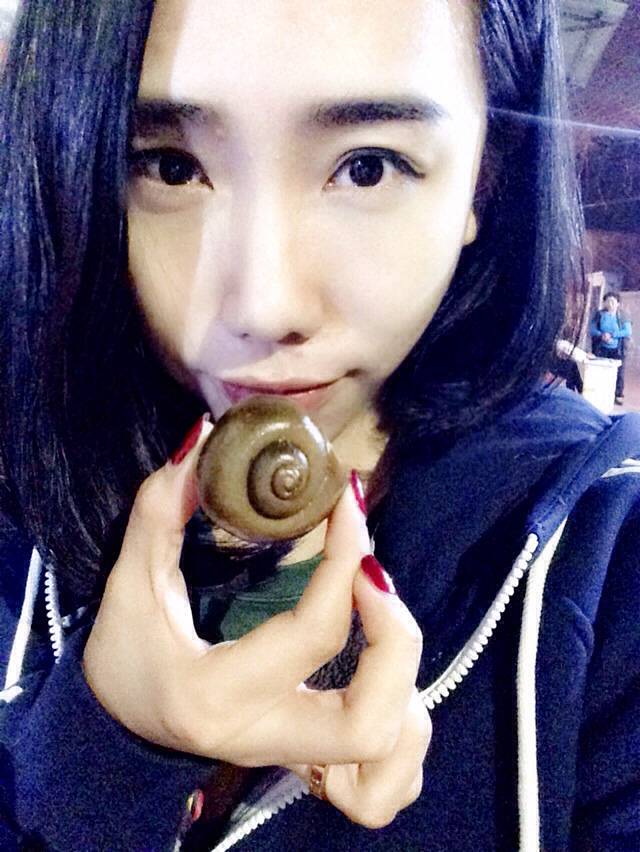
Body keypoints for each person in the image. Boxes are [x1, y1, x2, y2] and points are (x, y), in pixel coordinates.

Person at [1, 1, 639, 851]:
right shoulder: (18, 521)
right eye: (170, 166)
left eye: (368, 167)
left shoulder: (610, 562)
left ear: (484, 180)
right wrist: (106, 742)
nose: (264, 307)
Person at [590, 290, 633, 404]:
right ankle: (600, 392)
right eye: (608, 301)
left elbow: (627, 331)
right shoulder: (599, 315)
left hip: (618, 349)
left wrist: (612, 335)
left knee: (618, 372)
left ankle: (618, 394)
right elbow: (592, 329)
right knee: (601, 370)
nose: (610, 304)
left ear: (618, 303)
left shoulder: (622, 316)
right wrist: (601, 335)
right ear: (604, 303)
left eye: (613, 302)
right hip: (602, 348)